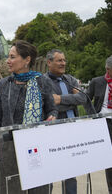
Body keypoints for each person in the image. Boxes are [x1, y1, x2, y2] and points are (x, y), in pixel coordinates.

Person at [0, 40, 57, 194]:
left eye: (12, 57)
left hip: (37, 146)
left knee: (38, 188)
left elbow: (52, 109)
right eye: (8, 56)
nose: (8, 60)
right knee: (10, 189)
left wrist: (52, 116)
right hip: (9, 148)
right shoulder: (4, 84)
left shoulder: (42, 81)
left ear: (27, 60)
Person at [45, 49, 87, 194]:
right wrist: (71, 100)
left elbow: (83, 98)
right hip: (53, 132)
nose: (63, 63)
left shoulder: (70, 80)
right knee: (49, 172)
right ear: (49, 63)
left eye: (64, 60)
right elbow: (50, 103)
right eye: (59, 60)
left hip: (72, 132)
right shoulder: (43, 82)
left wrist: (61, 99)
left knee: (70, 171)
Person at [84, 55, 112, 194]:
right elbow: (86, 98)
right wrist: (93, 114)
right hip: (104, 121)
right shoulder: (97, 82)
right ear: (108, 69)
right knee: (110, 157)